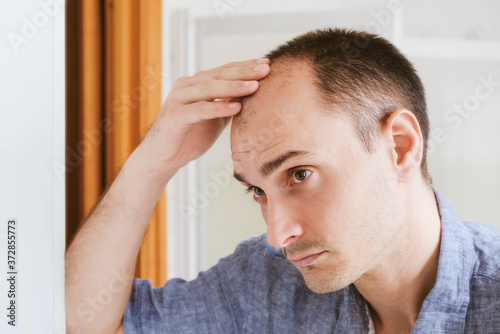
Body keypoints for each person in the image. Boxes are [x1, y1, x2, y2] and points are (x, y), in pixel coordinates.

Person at [65, 28, 500, 334]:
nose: (277, 235)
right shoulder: (270, 280)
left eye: (300, 174)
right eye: (257, 190)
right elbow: (78, 324)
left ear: (400, 147)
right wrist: (151, 163)